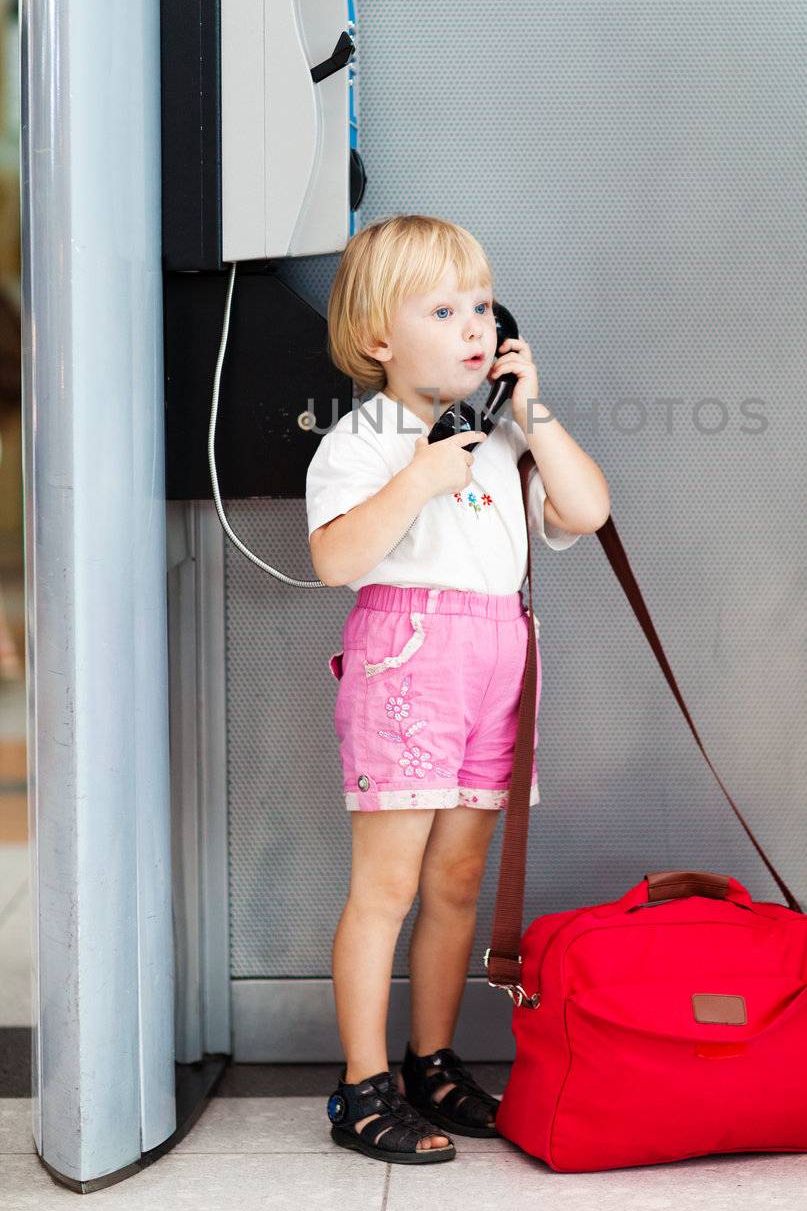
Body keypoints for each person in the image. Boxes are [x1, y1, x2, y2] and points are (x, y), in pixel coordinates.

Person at [305, 214, 610, 1165]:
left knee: (457, 882)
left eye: (482, 304)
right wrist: (418, 480)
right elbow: (334, 559)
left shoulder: (505, 443)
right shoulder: (364, 441)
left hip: (497, 662)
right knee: (388, 886)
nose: (475, 324)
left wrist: (533, 414)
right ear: (380, 341)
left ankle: (431, 1060)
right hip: (411, 656)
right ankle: (363, 1085)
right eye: (444, 308)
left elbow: (587, 510)